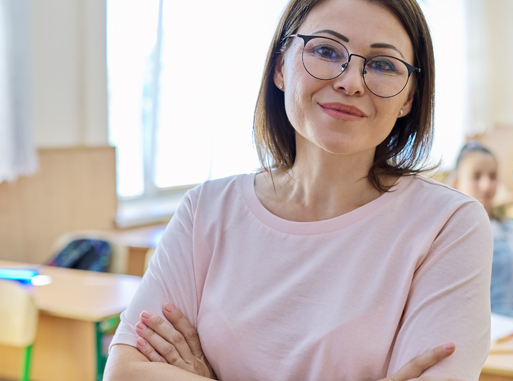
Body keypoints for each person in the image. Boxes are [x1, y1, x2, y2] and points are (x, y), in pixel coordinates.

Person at [104, 0, 493, 380]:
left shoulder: (449, 224)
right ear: (280, 68)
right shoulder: (204, 211)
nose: (350, 82)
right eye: (325, 50)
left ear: (408, 97)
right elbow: (125, 373)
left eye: (382, 65)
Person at [450, 141, 513, 321]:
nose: (486, 185)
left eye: (493, 176)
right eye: (476, 176)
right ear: (456, 183)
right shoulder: (444, 238)